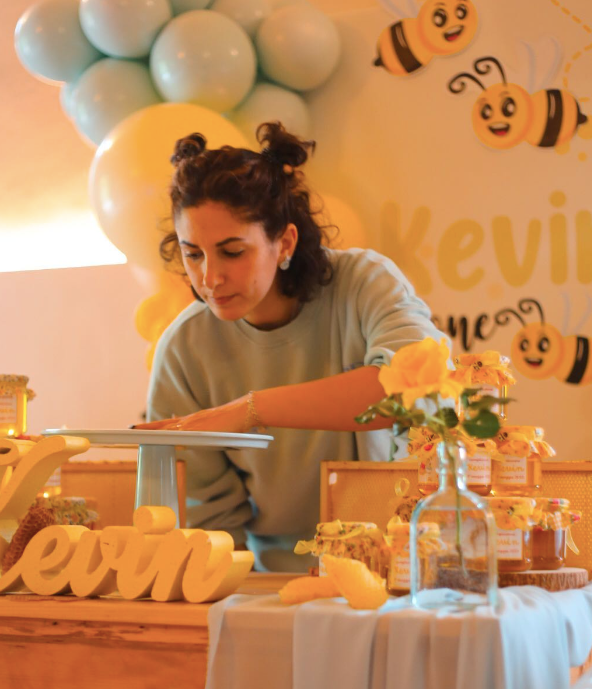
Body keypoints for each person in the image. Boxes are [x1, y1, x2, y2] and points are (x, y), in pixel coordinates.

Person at [135, 122, 447, 571]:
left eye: (232, 252)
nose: (210, 277)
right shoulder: (183, 349)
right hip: (271, 583)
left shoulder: (366, 284)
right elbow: (208, 525)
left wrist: (251, 410)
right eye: (193, 254)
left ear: (284, 242)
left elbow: (416, 393)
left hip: (401, 570)